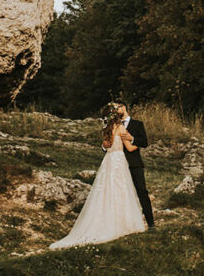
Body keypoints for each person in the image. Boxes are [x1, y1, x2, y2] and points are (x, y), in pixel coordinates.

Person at [48, 102, 148, 249]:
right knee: (121, 190)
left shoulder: (106, 130)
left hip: (108, 161)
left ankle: (106, 219)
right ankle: (121, 222)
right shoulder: (121, 128)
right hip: (119, 161)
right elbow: (130, 148)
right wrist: (136, 142)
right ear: (116, 116)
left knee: (107, 190)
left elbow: (107, 146)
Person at [113, 100, 155, 229]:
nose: (115, 111)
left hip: (134, 164)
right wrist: (104, 147)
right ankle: (123, 224)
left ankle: (151, 223)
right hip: (117, 164)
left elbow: (144, 142)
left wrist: (132, 139)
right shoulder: (112, 125)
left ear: (124, 107)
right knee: (120, 194)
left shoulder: (137, 124)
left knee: (142, 192)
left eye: (117, 108)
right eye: (113, 109)